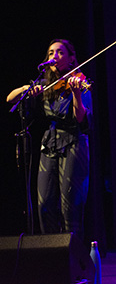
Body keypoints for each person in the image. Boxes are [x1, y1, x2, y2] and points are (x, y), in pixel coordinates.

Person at [7, 39, 92, 241]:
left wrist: (77, 94)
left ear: (71, 58)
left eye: (60, 52)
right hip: (50, 144)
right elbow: (10, 99)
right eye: (51, 52)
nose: (54, 56)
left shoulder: (78, 81)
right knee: (44, 205)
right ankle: (51, 251)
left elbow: (81, 118)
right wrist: (27, 88)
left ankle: (72, 255)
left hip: (73, 142)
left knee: (69, 205)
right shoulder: (46, 85)